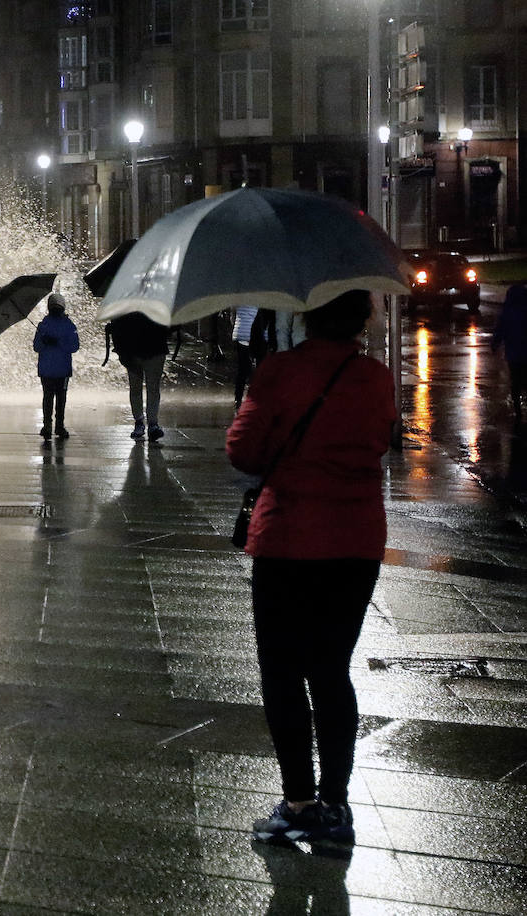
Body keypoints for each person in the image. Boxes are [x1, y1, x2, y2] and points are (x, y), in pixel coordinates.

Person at [226, 289, 396, 847]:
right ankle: (336, 805)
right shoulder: (376, 377)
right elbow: (381, 441)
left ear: (306, 315)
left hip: (289, 540)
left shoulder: (280, 371)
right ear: (361, 320)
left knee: (282, 672)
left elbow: (244, 451)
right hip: (356, 541)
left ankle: (298, 801)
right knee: (331, 670)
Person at [106, 311, 170, 441]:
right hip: (150, 349)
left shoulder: (125, 305)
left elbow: (117, 326)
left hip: (140, 350)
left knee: (140, 388)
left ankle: (144, 422)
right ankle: (149, 423)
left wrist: (120, 350)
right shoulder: (156, 304)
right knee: (150, 388)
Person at [33, 293, 80, 440]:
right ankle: (59, 426)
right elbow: (74, 346)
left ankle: (47, 426)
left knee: (48, 397)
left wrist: (48, 342)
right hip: (62, 369)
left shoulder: (43, 326)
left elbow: (36, 347)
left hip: (47, 369)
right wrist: (59, 343)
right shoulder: (68, 325)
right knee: (60, 398)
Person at [490, 283, 527, 425]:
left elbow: (500, 330)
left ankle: (518, 410)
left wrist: (495, 344)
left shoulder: (507, 312)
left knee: (516, 381)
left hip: (513, 354)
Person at [233, 306, 277, 407]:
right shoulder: (263, 301)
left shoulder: (238, 297)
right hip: (259, 335)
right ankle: (256, 397)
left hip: (241, 333)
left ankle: (238, 398)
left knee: (242, 369)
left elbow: (234, 314)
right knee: (260, 368)